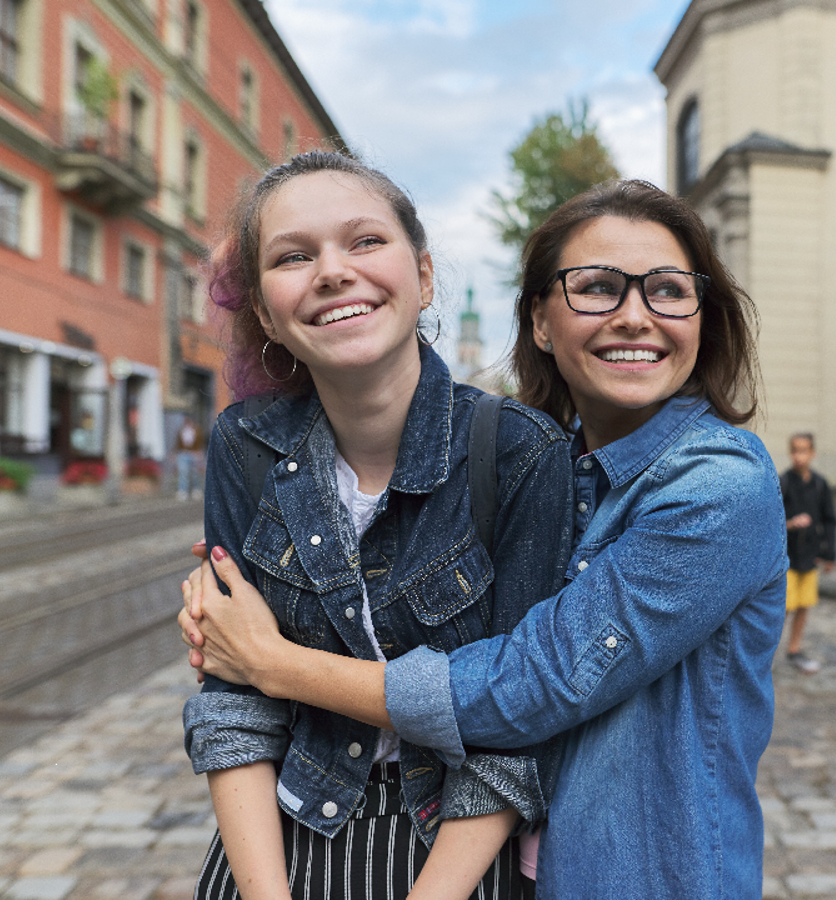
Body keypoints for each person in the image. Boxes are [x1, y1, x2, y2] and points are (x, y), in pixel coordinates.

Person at [181, 179, 788, 899]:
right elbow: (231, 708)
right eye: (596, 287)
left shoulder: (717, 487)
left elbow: (529, 687)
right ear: (539, 321)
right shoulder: (556, 459)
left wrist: (271, 662)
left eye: (667, 289)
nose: (634, 316)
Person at [181, 151, 574, 900]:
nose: (332, 271)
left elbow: (518, 725)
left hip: (454, 852)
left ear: (423, 277)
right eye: (294, 256)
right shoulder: (245, 444)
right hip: (282, 836)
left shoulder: (519, 450)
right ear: (264, 310)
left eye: (364, 241)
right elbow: (232, 700)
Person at [778, 432, 836, 674]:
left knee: (804, 605)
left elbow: (829, 520)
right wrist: (790, 524)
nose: (798, 456)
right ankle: (763, 654)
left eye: (803, 451)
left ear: (812, 454)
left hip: (810, 555)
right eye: (794, 451)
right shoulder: (783, 482)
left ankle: (794, 649)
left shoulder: (820, 484)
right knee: (784, 607)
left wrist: (829, 552)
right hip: (788, 557)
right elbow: (773, 520)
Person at [174, 414, 205, 500]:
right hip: (183, 453)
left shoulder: (197, 430)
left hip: (194, 453)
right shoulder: (181, 431)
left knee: (195, 473)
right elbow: (178, 443)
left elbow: (200, 441)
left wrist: (199, 452)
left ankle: (196, 489)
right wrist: (175, 453)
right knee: (183, 473)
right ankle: (183, 490)